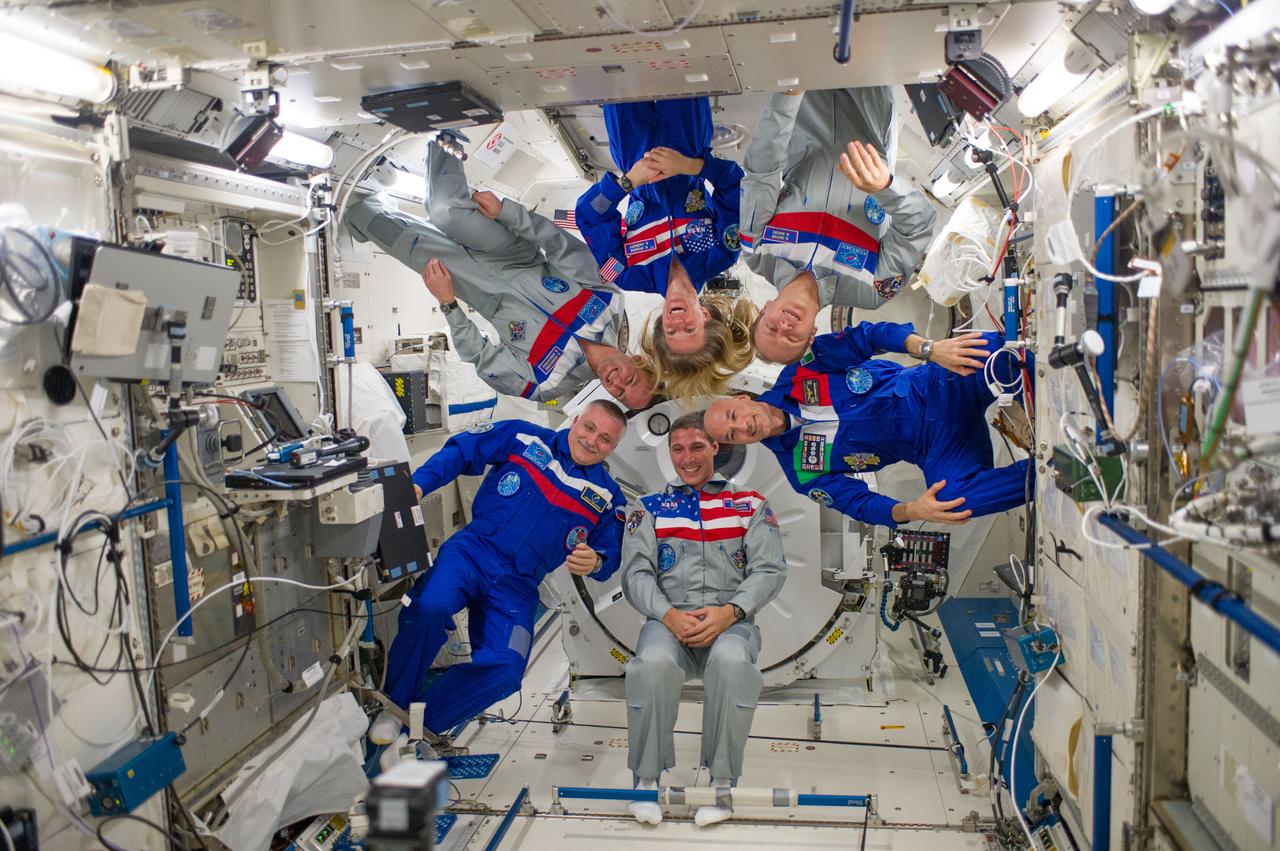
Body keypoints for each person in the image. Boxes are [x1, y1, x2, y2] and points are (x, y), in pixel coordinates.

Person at [370, 401, 629, 745]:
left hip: (518, 585)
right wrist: (420, 484)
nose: (592, 440)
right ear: (576, 420)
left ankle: (416, 727)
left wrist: (595, 561)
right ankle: (394, 706)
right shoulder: (524, 438)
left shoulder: (608, 497)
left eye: (606, 439)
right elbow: (465, 448)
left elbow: (610, 555)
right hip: (472, 552)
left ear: (614, 447)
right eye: (589, 428)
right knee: (429, 608)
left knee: (506, 671)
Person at [347, 137, 655, 409]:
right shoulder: (608, 302)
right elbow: (559, 245)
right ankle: (446, 133)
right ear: (638, 361)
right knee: (444, 211)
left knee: (364, 216)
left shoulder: (546, 384)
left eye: (619, 393)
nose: (618, 383)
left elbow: (482, 358)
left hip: (472, 286)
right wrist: (507, 212)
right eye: (631, 380)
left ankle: (373, 205)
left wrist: (448, 304)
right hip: (511, 253)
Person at [620, 411, 786, 827]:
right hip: (668, 621)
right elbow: (636, 574)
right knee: (651, 665)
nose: (687, 458)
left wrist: (730, 612)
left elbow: (769, 570)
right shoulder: (649, 508)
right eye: (678, 449)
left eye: (697, 447)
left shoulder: (749, 506)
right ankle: (645, 782)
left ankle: (722, 785)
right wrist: (668, 614)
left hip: (731, 620)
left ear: (715, 447)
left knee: (732, 664)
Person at [703, 324, 1031, 529]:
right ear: (739, 444)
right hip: (937, 446)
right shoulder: (802, 471)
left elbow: (867, 337)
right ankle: (1050, 472)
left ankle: (1051, 372)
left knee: (992, 353)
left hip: (941, 385)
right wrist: (913, 510)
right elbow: (859, 504)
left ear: (741, 398)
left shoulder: (802, 370)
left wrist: (930, 349)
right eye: (733, 435)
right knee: (955, 501)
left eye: (733, 415)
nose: (743, 425)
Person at [740, 87, 938, 364]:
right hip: (872, 110)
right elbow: (919, 225)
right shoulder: (871, 289)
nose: (784, 326)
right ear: (812, 335)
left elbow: (762, 172)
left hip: (806, 100)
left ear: (764, 310)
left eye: (771, 328)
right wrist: (885, 188)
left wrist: (787, 96)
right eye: (792, 338)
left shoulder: (758, 251)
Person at [576, 98, 754, 398]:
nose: (677, 322)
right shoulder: (722, 253)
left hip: (631, 150)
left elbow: (589, 216)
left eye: (671, 331)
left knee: (618, 77)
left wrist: (629, 181)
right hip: (688, 141)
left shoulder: (628, 274)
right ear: (705, 316)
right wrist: (689, 165)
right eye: (689, 329)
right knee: (678, 73)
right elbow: (735, 185)